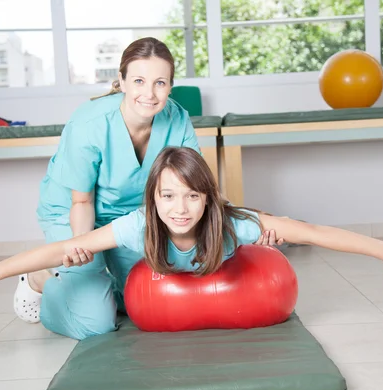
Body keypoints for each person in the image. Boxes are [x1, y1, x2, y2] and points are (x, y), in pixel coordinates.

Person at [0, 147, 383, 340]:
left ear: (208, 198)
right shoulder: (137, 224)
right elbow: (60, 247)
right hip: (117, 275)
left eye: (191, 195)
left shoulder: (231, 222)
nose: (179, 207)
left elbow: (314, 233)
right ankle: (33, 290)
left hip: (181, 282)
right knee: (98, 312)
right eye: (168, 195)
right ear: (153, 197)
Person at [17, 37, 279, 332]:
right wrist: (83, 247)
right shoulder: (89, 124)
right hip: (73, 213)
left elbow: (198, 188)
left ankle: (102, 286)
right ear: (122, 81)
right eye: (139, 80)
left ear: (170, 85)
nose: (150, 94)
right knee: (96, 323)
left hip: (133, 216)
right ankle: (42, 280)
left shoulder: (176, 117)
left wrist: (243, 226)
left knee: (141, 300)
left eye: (160, 83)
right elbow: (82, 202)